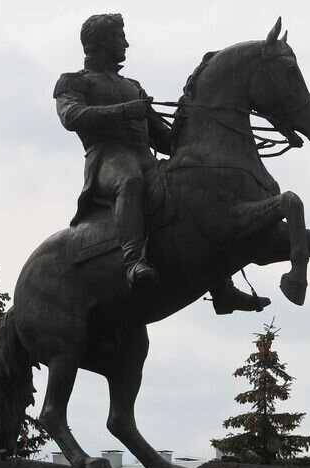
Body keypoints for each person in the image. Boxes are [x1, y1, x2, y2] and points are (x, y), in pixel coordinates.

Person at [55, 13, 265, 312]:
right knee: (130, 182)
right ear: (101, 41)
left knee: (196, 195)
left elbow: (163, 139)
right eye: (119, 37)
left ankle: (223, 289)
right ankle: (132, 261)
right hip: (108, 159)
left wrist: (207, 133)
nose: (125, 43)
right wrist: (127, 110)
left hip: (144, 157)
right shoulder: (74, 82)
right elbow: (72, 117)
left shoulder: (132, 85)